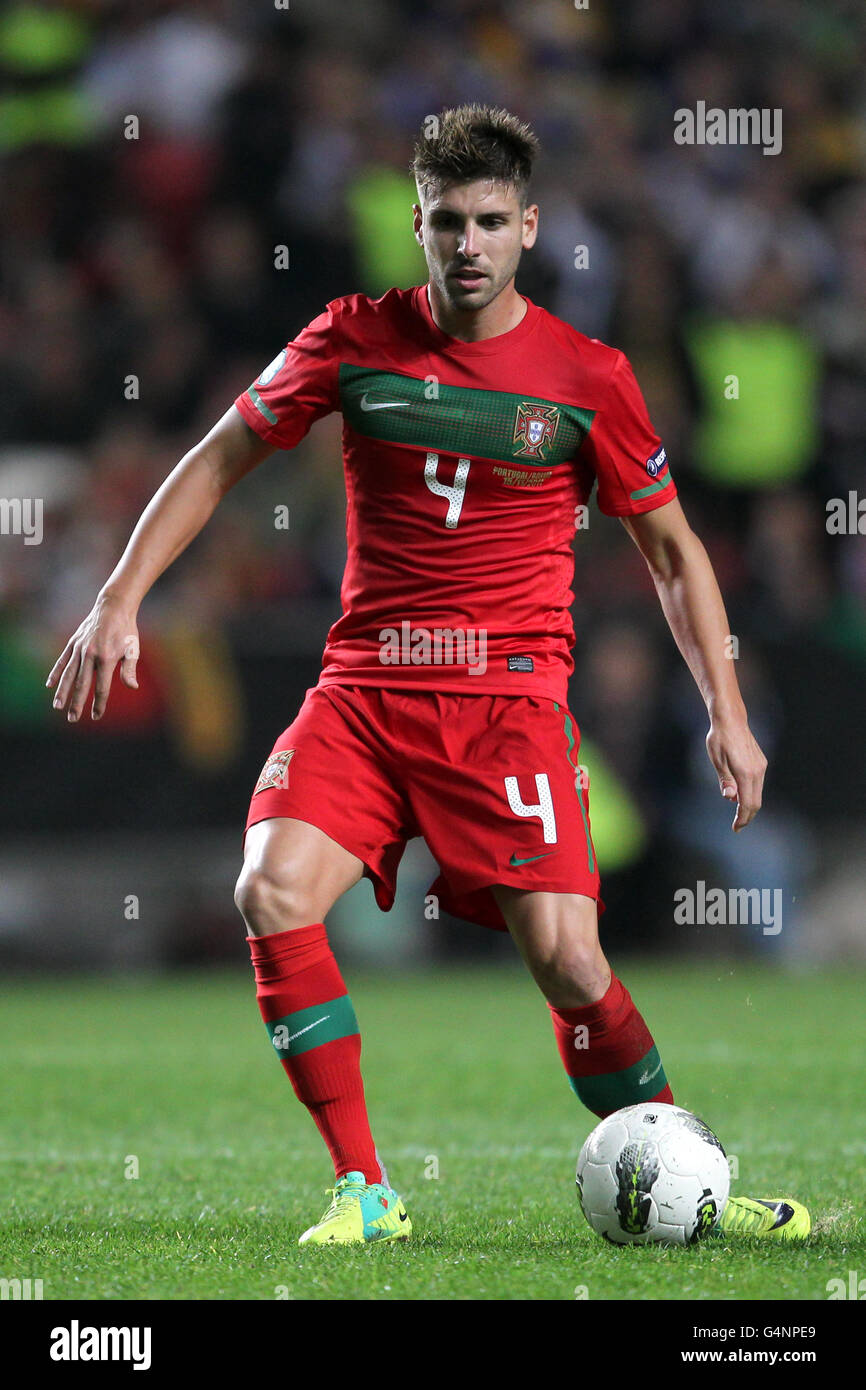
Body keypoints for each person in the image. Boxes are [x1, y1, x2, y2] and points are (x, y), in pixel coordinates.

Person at [48, 105, 809, 1246]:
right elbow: (218, 454)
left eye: (491, 222)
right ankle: (364, 1190)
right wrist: (118, 594)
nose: (468, 244)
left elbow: (672, 551)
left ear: (528, 227)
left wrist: (726, 713)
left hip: (506, 708)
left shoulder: (584, 375)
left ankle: (693, 1176)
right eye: (447, 220)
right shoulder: (351, 337)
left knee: (564, 956)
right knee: (270, 892)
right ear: (415, 222)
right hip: (361, 692)